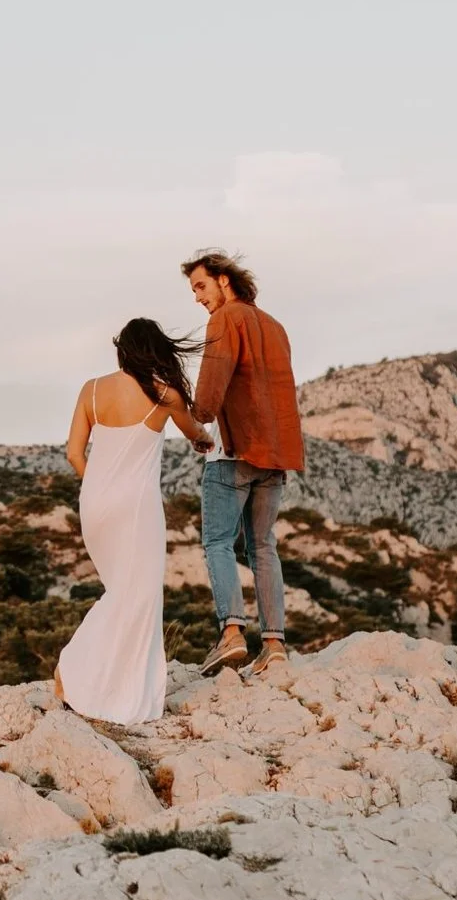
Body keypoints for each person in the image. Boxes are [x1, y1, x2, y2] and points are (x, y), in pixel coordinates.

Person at [55, 318, 210, 724]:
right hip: (135, 507)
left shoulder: (91, 389)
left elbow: (74, 453)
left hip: (93, 503)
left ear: (122, 350)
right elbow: (195, 431)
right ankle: (77, 674)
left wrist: (100, 487)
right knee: (136, 597)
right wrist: (205, 441)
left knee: (119, 591)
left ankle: (101, 685)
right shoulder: (165, 394)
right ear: (156, 350)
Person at [183, 250, 306, 678]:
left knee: (218, 543)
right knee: (264, 547)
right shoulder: (275, 326)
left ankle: (232, 634)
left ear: (223, 280)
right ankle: (274, 645)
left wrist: (197, 415)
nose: (198, 297)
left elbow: (213, 383)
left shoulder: (225, 319)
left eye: (200, 286)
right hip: (275, 454)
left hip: (234, 452)